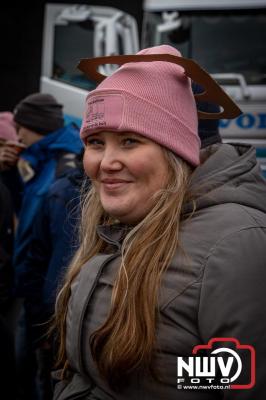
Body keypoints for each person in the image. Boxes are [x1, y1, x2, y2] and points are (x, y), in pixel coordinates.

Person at [52, 45, 266, 399]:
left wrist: (177, 377)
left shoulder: (236, 243)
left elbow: (239, 377)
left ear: (175, 150)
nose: (106, 162)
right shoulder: (124, 219)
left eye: (130, 141)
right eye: (95, 142)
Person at [12, 93, 83, 400]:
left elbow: (62, 251)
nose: (17, 135)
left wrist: (46, 314)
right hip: (34, 292)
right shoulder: (41, 159)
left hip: (46, 307)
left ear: (35, 126)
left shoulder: (63, 173)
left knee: (42, 379)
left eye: (21, 128)